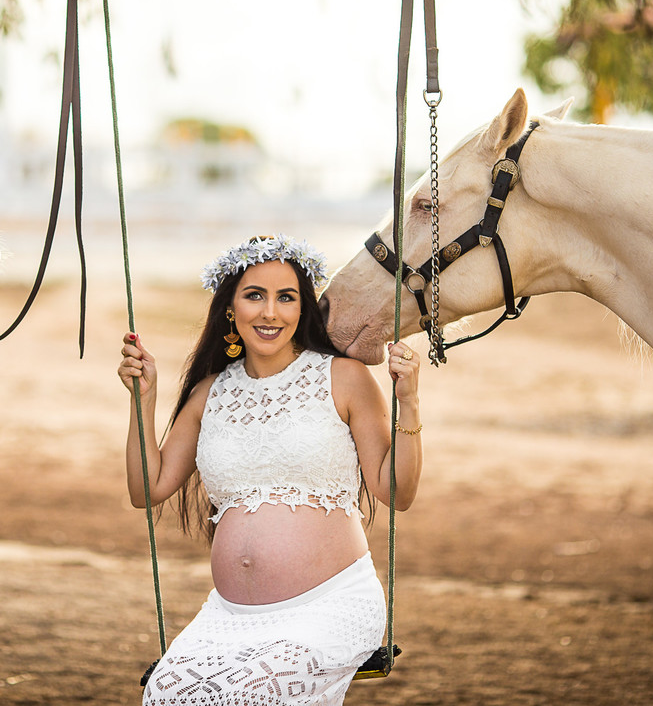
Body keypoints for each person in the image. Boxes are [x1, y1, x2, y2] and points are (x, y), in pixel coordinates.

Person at [117, 234, 423, 706]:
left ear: (303, 308)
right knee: (164, 695)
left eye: (286, 297)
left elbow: (397, 493)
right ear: (230, 308)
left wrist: (410, 402)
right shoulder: (209, 393)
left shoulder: (343, 377)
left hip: (330, 605)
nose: (270, 312)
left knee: (250, 694)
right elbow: (148, 488)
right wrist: (144, 400)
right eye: (255, 295)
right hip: (229, 617)